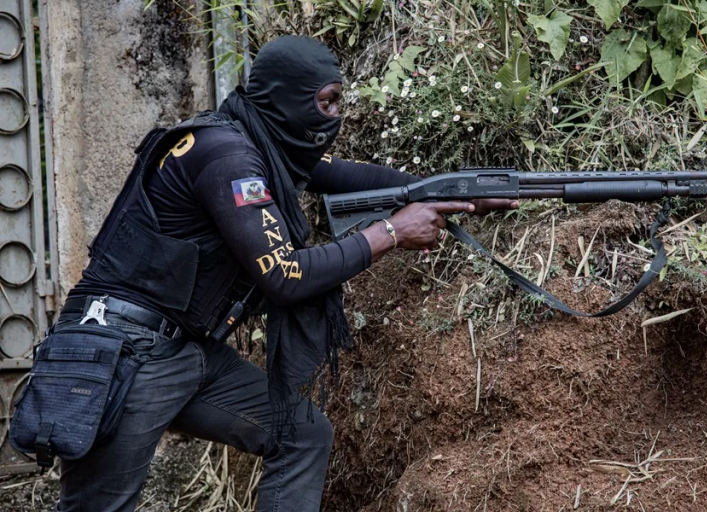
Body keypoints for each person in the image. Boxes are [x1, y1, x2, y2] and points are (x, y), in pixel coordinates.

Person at [51, 36, 518, 511]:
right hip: (123, 353)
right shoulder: (228, 155)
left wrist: (459, 193)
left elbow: (349, 175)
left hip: (181, 350)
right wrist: (391, 233)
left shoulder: (262, 141)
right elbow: (285, 275)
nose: (335, 115)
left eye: (340, 100)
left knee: (301, 434)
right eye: (326, 101)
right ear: (288, 98)